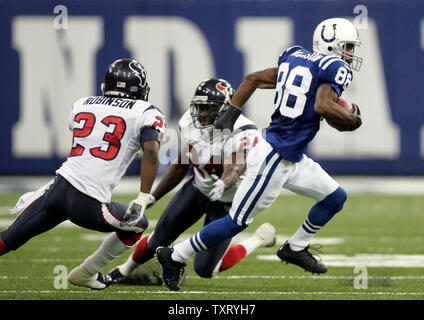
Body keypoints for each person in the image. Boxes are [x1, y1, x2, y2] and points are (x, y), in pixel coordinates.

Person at [155, 18, 363, 291]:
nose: (349, 53)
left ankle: (295, 247)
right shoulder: (334, 68)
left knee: (335, 198)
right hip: (274, 157)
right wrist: (351, 121)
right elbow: (323, 105)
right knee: (235, 222)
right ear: (331, 45)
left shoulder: (296, 56)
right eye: (346, 46)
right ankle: (173, 255)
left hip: (293, 156)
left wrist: (231, 113)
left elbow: (253, 79)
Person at [0, 58, 166, 290]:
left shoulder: (83, 103)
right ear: (139, 89)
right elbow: (151, 149)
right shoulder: (146, 111)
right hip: (88, 202)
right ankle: (87, 272)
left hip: (57, 190)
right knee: (138, 223)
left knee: (8, 240)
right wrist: (142, 196)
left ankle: (87, 274)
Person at [106, 78, 276, 288]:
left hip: (228, 202)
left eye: (209, 108)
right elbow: (182, 163)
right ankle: (125, 270)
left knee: (206, 269)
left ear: (227, 110)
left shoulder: (243, 130)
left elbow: (235, 166)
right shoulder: (189, 122)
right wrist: (153, 196)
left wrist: (224, 183)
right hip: (198, 187)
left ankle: (259, 239)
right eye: (200, 107)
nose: (202, 114)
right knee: (158, 238)